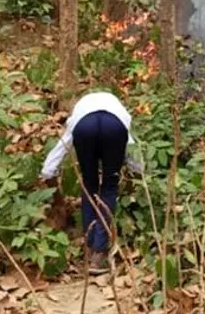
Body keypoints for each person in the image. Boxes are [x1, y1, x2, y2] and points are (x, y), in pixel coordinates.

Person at [39, 91, 143, 274]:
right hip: (114, 128)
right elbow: (135, 159)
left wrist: (57, 198)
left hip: (84, 128)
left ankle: (88, 246)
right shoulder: (120, 113)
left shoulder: (78, 115)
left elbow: (51, 164)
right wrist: (133, 183)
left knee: (89, 184)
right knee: (110, 185)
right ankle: (99, 252)